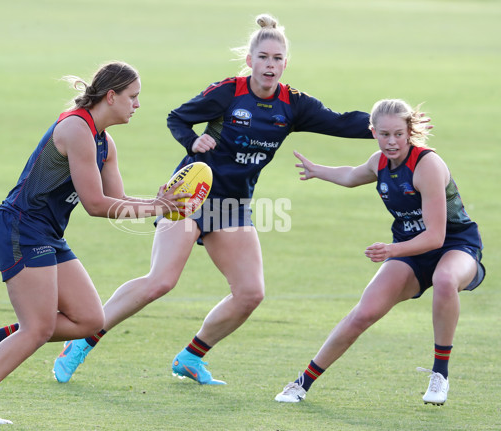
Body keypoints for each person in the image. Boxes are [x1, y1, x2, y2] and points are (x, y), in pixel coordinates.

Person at [46, 13, 376, 386]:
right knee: (161, 282)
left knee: (250, 293)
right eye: (264, 57)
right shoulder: (228, 93)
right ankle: (80, 343)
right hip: (190, 196)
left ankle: (191, 357)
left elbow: (342, 122)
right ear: (250, 61)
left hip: (233, 203)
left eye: (278, 58)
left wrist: (389, 129)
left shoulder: (293, 104)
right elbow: (178, 118)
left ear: (286, 63)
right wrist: (192, 140)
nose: (271, 65)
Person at [0, 61, 188, 424]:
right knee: (39, 327)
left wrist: (158, 205)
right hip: (20, 228)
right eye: (133, 97)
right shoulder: (77, 128)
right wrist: (154, 208)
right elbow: (95, 205)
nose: (137, 105)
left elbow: (116, 198)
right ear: (111, 96)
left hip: (46, 233)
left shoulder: (105, 142)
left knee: (91, 319)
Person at [275, 98, 485, 406]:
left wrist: (391, 249)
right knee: (364, 313)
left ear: (409, 131)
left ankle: (440, 375)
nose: (391, 142)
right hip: (409, 251)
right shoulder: (379, 162)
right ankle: (301, 383)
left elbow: (437, 237)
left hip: (455, 245)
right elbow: (350, 176)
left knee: (444, 280)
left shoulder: (427, 165)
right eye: (384, 134)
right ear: (373, 132)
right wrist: (318, 170)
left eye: (398, 134)